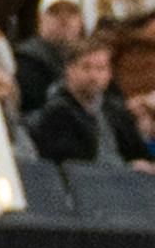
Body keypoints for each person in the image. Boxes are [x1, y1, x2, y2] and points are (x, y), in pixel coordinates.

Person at [28, 34, 153, 167]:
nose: (94, 76)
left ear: (109, 74)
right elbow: (72, 165)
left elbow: (139, 153)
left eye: (100, 68)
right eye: (86, 67)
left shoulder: (116, 110)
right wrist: (128, 167)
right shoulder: (56, 114)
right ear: (69, 70)